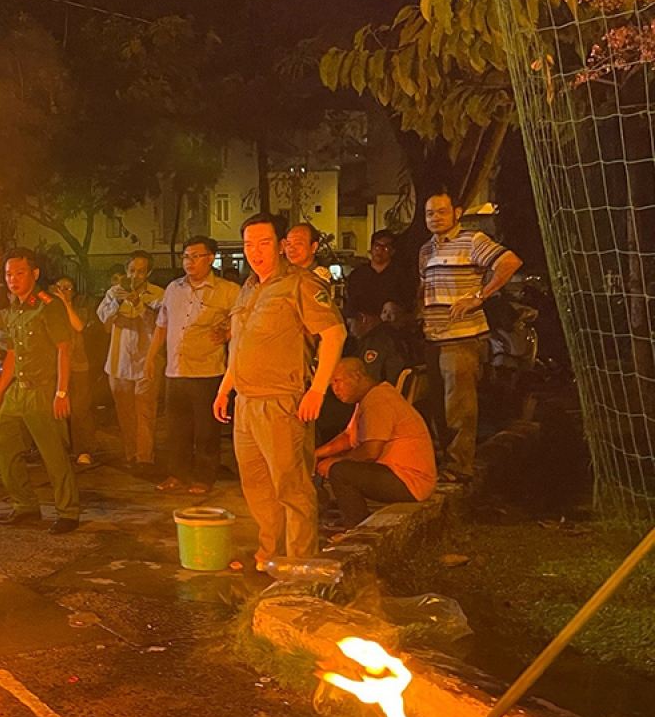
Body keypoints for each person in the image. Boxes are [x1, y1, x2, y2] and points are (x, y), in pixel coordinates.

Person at [217, 214, 347, 564]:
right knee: (257, 488)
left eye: (263, 243)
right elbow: (241, 344)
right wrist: (225, 388)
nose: (255, 252)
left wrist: (317, 390)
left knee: (292, 489)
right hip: (245, 403)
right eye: (248, 244)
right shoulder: (249, 287)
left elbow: (334, 334)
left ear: (280, 245)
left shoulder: (300, 284)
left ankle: (300, 562)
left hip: (281, 402)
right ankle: (271, 553)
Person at [418, 190, 523, 481]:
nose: (435, 218)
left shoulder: (472, 241)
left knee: (459, 405)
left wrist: (479, 296)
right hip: (434, 336)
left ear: (457, 212)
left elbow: (510, 262)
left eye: (441, 211)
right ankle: (445, 464)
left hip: (462, 336)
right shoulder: (426, 250)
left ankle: (459, 466)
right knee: (438, 402)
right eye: (430, 213)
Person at [0, 248, 79, 533]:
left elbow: (65, 348)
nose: (13, 279)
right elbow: (12, 354)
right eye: (8, 274)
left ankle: (68, 512)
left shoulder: (48, 306)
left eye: (20, 273)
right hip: (17, 391)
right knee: (6, 450)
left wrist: (61, 392)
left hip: (43, 389)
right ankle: (25, 505)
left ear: (34, 274)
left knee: (53, 455)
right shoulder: (13, 310)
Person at [147, 237, 240, 494]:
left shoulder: (227, 290)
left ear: (211, 258)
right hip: (175, 371)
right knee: (176, 429)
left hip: (207, 371)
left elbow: (244, 321)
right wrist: (150, 358)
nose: (190, 262)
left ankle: (204, 477)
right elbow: (162, 325)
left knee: (206, 431)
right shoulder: (173, 289)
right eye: (186, 257)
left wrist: (227, 334)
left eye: (196, 256)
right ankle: (178, 474)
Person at [316, 357, 437, 528]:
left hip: (410, 481)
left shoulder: (377, 400)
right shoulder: (369, 398)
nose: (335, 389)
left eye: (338, 381)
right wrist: (316, 455)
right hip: (404, 476)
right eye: (332, 385)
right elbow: (348, 437)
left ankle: (355, 526)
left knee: (340, 472)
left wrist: (336, 462)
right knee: (338, 466)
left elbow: (370, 452)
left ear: (358, 376)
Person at [98, 253, 165, 470]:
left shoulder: (157, 294)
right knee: (124, 412)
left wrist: (139, 304)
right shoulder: (113, 292)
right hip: (119, 361)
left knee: (145, 411)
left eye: (141, 271)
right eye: (132, 271)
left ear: (149, 273)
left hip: (147, 360)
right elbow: (102, 318)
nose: (135, 276)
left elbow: (159, 325)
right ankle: (130, 454)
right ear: (126, 271)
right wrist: (117, 301)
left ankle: (145, 458)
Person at [49, 276, 98, 466]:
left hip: (78, 366)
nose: (63, 291)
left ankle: (84, 450)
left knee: (80, 409)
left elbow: (78, 326)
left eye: (68, 288)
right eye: (60, 288)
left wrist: (65, 305)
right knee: (57, 410)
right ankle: (59, 449)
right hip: (55, 367)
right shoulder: (49, 311)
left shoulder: (81, 310)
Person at [345, 229, 415, 315]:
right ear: (371, 248)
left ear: (392, 251)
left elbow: (408, 303)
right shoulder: (358, 274)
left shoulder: (402, 274)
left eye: (385, 248)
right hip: (364, 322)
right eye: (377, 246)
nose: (380, 251)